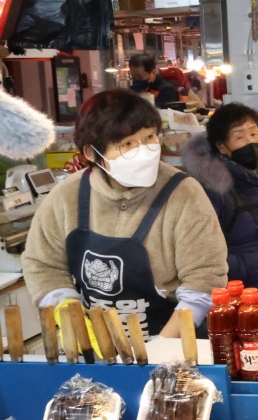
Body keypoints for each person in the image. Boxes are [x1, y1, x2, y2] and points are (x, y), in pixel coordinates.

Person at [22, 89, 227, 341]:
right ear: (91, 153)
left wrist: (162, 349)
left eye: (150, 137)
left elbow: (204, 280)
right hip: (97, 342)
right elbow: (43, 265)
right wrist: (75, 322)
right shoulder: (67, 196)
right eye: (126, 144)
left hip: (173, 338)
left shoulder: (184, 193)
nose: (144, 151)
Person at [181, 102, 258, 287]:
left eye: (254, 133)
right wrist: (241, 268)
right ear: (222, 146)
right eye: (239, 136)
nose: (250, 141)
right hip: (254, 283)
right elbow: (202, 247)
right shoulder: (214, 189)